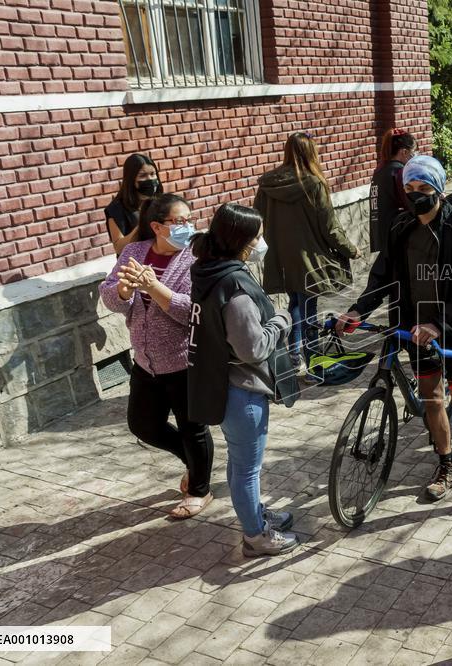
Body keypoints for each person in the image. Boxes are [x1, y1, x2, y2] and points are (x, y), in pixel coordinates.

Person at [336, 156, 452, 521]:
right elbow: (382, 275)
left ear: (439, 189)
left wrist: (440, 324)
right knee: (432, 400)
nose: (416, 196)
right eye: (409, 189)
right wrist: (358, 310)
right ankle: (446, 464)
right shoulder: (400, 226)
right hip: (412, 328)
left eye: (423, 189)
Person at [188, 203, 300, 557]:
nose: (261, 241)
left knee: (239, 464)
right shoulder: (233, 285)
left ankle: (256, 516)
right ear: (242, 240)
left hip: (224, 386)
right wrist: (281, 321)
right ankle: (256, 536)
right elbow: (252, 348)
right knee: (246, 470)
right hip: (243, 391)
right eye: (258, 235)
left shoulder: (207, 271)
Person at [99, 193, 214, 519]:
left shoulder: (195, 258)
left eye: (190, 220)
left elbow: (192, 311)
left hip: (183, 360)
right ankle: (193, 463)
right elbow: (110, 294)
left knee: (193, 428)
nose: (187, 227)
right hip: (145, 360)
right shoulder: (134, 252)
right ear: (156, 226)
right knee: (143, 425)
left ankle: (200, 490)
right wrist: (124, 290)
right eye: (179, 221)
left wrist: (153, 287)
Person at [255, 132, 362, 375]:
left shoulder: (268, 185)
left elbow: (258, 217)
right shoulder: (313, 183)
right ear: (311, 152)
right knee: (308, 307)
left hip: (281, 257)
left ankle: (295, 357)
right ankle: (309, 357)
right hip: (310, 258)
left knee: (296, 304)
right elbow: (329, 226)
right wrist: (351, 249)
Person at [105, 153, 162, 255]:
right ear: (131, 179)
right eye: (143, 176)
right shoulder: (117, 208)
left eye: (153, 174)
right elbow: (119, 248)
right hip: (134, 264)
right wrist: (143, 222)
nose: (150, 179)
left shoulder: (162, 201)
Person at [369, 129, 415, 254]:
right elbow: (410, 203)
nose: (413, 157)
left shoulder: (380, 170)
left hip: (382, 234)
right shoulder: (399, 171)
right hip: (399, 235)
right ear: (404, 152)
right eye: (413, 153)